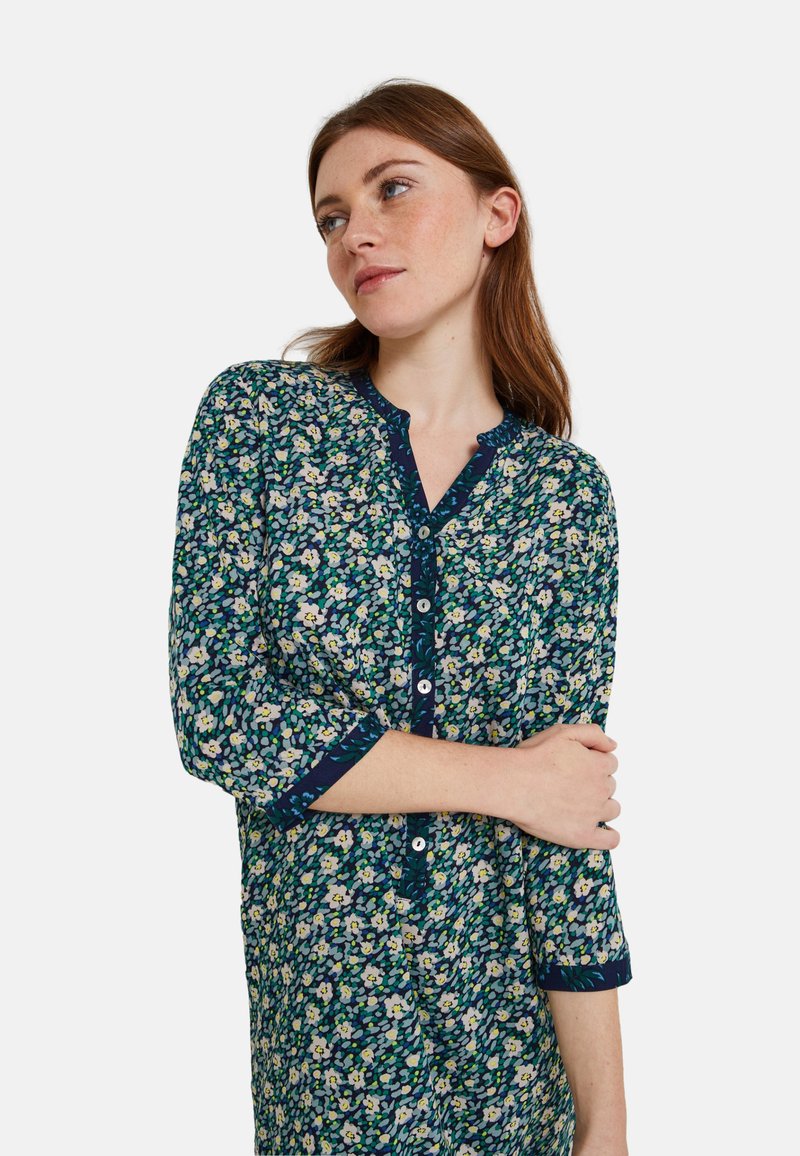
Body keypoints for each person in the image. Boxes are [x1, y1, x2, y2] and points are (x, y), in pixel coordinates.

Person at [168, 77, 633, 1156]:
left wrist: (606, 1122)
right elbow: (220, 716)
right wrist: (504, 780)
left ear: (496, 213)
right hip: (330, 1064)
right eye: (330, 217)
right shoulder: (260, 421)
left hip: (512, 1069)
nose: (354, 236)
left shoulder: (565, 497)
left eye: (392, 190)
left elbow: (569, 827)